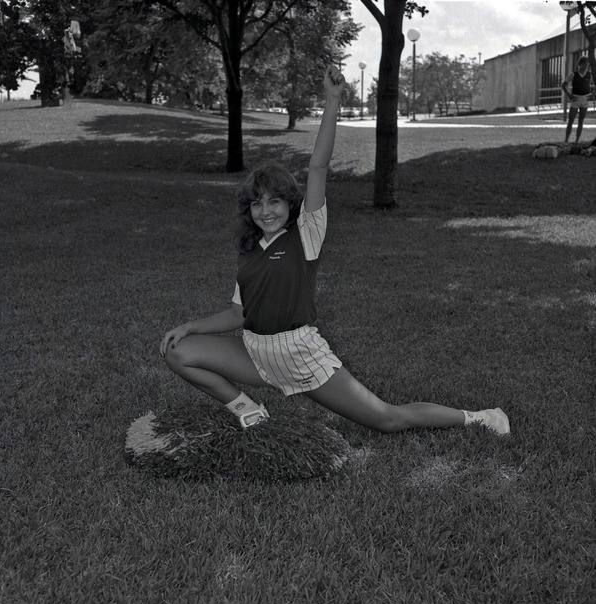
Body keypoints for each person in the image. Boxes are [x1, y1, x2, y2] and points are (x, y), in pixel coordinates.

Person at [160, 66, 510, 436]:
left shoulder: (306, 234)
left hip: (301, 355)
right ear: (248, 209)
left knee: (386, 419)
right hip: (255, 354)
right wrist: (189, 326)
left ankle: (480, 417)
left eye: (275, 202)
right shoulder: (250, 249)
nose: (266, 211)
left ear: (290, 205)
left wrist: (332, 100)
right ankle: (249, 411)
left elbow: (319, 166)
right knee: (177, 351)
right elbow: (238, 313)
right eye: (257, 204)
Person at [562, 56, 593, 143]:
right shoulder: (573, 74)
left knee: (581, 121)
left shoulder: (589, 74)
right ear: (580, 64)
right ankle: (566, 140)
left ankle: (577, 140)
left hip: (585, 99)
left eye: (587, 64)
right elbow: (563, 85)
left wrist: (592, 94)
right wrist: (569, 95)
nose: (586, 66)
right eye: (584, 64)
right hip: (575, 99)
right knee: (571, 120)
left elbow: (592, 85)